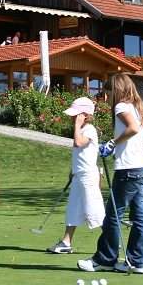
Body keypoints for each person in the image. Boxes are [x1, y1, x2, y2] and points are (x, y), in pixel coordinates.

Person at [78, 74, 143, 274]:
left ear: (117, 91)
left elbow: (132, 129)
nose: (108, 98)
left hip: (129, 170)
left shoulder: (121, 107)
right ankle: (139, 262)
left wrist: (112, 143)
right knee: (140, 217)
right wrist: (119, 150)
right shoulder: (138, 109)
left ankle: (105, 259)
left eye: (109, 93)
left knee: (112, 216)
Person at [47, 97, 104, 254]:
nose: (72, 117)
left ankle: (111, 240)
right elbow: (78, 153)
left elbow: (79, 143)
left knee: (95, 210)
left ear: (84, 115)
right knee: (72, 209)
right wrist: (73, 170)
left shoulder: (89, 130)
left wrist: (78, 126)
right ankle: (66, 243)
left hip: (88, 176)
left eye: (75, 115)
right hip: (79, 175)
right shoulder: (80, 129)